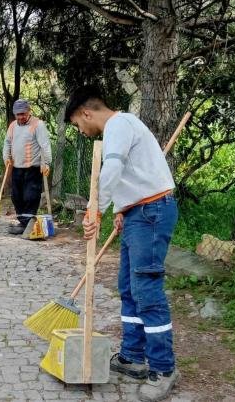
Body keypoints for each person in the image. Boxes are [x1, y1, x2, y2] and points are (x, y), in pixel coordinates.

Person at [65, 85, 179, 402]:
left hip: (151, 212)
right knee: (128, 288)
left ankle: (163, 368)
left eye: (77, 124)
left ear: (86, 113)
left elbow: (113, 168)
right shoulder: (120, 127)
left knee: (146, 290)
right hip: (137, 213)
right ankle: (132, 357)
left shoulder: (119, 124)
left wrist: (95, 210)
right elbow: (129, 174)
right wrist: (119, 210)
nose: (80, 130)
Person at [2, 99, 52, 235]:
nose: (20, 117)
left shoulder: (38, 125)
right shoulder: (13, 126)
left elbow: (45, 145)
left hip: (33, 169)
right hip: (16, 168)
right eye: (18, 114)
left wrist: (47, 163)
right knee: (16, 197)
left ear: (29, 111)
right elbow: (7, 143)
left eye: (23, 114)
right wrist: (6, 157)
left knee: (30, 197)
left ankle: (27, 224)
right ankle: (23, 222)